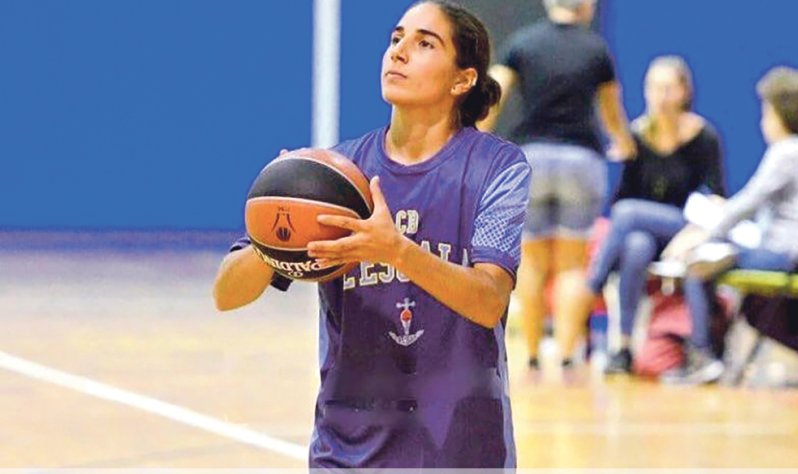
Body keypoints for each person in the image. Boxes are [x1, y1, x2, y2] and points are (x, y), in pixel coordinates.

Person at [213, 1, 530, 468]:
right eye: (396, 38)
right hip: (347, 452)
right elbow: (226, 294)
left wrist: (396, 250)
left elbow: (488, 301)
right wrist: (273, 232)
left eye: (425, 43)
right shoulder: (336, 175)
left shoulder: (496, 167)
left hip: (459, 452)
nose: (398, 51)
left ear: (462, 80)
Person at [478, 0, 635, 372]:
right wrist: (624, 143)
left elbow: (494, 93)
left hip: (531, 159)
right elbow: (611, 110)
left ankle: (532, 355)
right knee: (572, 265)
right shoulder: (596, 49)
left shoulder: (522, 43)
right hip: (581, 161)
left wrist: (476, 137)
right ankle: (566, 355)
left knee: (531, 263)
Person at [664, 66, 798, 385]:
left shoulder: (788, 152)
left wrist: (704, 234)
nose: (762, 122)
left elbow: (748, 202)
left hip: (785, 255)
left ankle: (703, 356)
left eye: (767, 114)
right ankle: (716, 352)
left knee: (698, 263)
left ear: (784, 115)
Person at [585, 56, 726, 374]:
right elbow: (623, 195)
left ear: (684, 92)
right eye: (653, 87)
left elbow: (718, 194)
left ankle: (592, 285)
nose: (659, 96)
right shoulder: (636, 136)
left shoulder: (704, 136)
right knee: (635, 245)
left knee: (627, 214)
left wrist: (697, 231)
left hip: (685, 229)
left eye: (667, 88)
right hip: (647, 232)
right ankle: (623, 348)